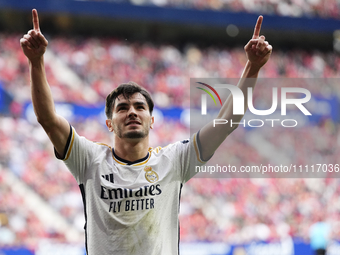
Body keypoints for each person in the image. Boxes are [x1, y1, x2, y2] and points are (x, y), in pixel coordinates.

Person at [20, 9, 272, 255]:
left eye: (139, 107)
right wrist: (36, 61)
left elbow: (225, 123)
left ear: (151, 120)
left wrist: (252, 67)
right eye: (122, 108)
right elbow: (48, 120)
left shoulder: (174, 161)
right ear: (109, 123)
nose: (132, 112)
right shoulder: (90, 160)